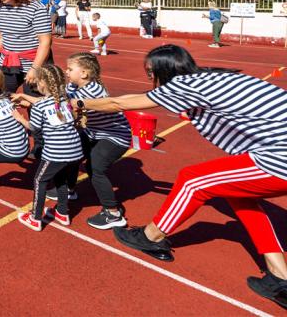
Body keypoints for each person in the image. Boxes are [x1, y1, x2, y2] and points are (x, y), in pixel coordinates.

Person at [76, 45, 287, 309]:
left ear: (160, 70)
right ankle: (279, 275)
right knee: (238, 196)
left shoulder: (184, 86)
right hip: (276, 150)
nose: (148, 77)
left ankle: (151, 237)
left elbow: (119, 102)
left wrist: (80, 103)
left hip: (279, 158)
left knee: (193, 179)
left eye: (149, 72)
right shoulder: (212, 77)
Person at [65, 53, 131, 229]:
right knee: (72, 154)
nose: (67, 72)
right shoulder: (74, 84)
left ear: (84, 73)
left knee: (95, 168)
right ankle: (69, 189)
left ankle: (113, 213)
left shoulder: (93, 93)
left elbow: (72, 113)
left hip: (115, 136)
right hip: (94, 132)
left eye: (70, 69)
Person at [15, 64, 83, 232]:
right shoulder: (64, 100)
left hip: (56, 152)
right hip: (75, 150)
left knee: (40, 180)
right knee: (61, 179)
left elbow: (33, 127)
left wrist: (19, 118)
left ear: (42, 83)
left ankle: (35, 218)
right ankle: (62, 212)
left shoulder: (40, 106)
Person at [0, 0, 52, 95]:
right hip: (8, 63)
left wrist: (35, 69)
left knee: (35, 105)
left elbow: (45, 42)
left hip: (33, 63)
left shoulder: (36, 8)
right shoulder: (1, 9)